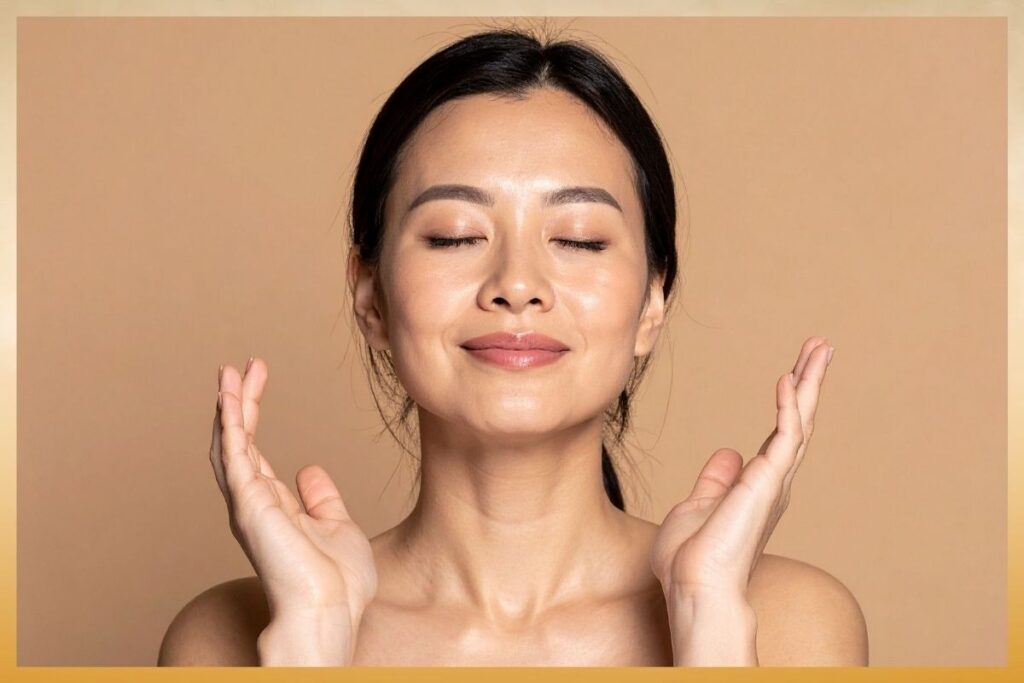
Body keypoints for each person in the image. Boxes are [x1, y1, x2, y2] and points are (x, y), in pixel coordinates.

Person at [158, 26, 868, 667]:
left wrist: (708, 618)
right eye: (455, 235)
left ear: (653, 300)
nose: (518, 284)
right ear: (370, 294)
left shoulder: (791, 625)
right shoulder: (223, 639)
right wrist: (310, 637)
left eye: (580, 239)